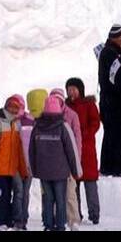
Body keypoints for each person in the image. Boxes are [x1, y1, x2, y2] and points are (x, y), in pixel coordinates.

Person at [30, 93, 81, 231]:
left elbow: (32, 151)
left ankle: (48, 225)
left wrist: (34, 170)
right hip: (60, 172)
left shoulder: (37, 127)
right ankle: (60, 225)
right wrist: (76, 170)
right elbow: (72, 150)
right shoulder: (63, 127)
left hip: (43, 172)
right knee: (60, 200)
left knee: (47, 200)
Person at [0, 95, 32, 230]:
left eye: (17, 107)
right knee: (2, 195)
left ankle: (8, 222)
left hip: (11, 168)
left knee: (8, 195)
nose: (14, 109)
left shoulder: (15, 123)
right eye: (12, 106)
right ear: (7, 106)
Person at [66, 77, 102, 224]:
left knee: (90, 184)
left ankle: (94, 214)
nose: (71, 92)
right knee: (74, 186)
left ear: (80, 90)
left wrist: (84, 134)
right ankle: (76, 214)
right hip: (72, 150)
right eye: (69, 89)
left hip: (87, 150)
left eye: (74, 89)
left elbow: (95, 122)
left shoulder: (89, 104)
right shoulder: (66, 106)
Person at [97, 24, 121, 175]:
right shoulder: (110, 54)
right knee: (114, 133)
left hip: (109, 100)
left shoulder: (111, 52)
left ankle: (110, 165)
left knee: (112, 133)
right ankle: (114, 166)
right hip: (112, 101)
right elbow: (115, 78)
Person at [52, 86, 84, 228]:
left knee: (70, 192)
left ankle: (74, 220)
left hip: (68, 159)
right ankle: (55, 218)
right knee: (53, 194)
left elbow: (77, 138)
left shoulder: (71, 115)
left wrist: (76, 160)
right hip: (52, 160)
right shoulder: (47, 115)